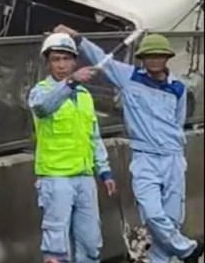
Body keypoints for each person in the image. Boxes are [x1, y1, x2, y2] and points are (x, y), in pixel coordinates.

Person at [54, 25, 205, 263]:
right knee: (153, 215)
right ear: (142, 58)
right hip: (144, 156)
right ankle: (187, 249)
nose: (154, 60)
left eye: (159, 56)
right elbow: (100, 59)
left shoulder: (178, 88)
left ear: (167, 58)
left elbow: (178, 122)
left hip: (173, 157)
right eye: (149, 56)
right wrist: (77, 37)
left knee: (172, 219)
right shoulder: (128, 76)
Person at [29, 33, 117, 263]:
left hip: (85, 177)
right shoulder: (41, 91)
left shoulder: (85, 96)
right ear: (48, 63)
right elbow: (42, 108)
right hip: (56, 178)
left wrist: (104, 170)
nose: (61, 64)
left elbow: (94, 136)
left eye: (66, 59)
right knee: (56, 247)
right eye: (56, 59)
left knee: (90, 243)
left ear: (74, 61)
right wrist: (70, 82)